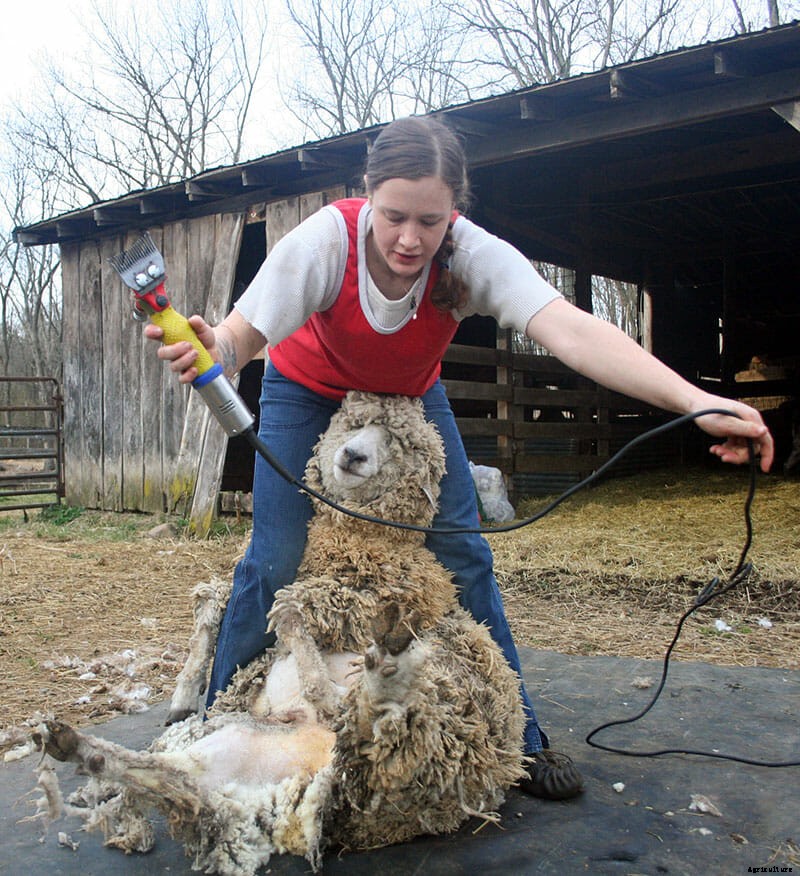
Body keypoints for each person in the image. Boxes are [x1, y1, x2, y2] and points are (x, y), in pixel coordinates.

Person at [148, 115, 774, 801]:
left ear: (454, 213)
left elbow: (570, 328)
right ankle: (210, 727)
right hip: (308, 389)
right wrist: (218, 350)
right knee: (276, 553)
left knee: (464, 551)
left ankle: (522, 738)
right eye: (393, 217)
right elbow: (239, 337)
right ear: (368, 198)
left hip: (411, 396)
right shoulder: (326, 240)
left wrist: (694, 401)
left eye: (430, 220)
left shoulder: (471, 254)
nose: (410, 238)